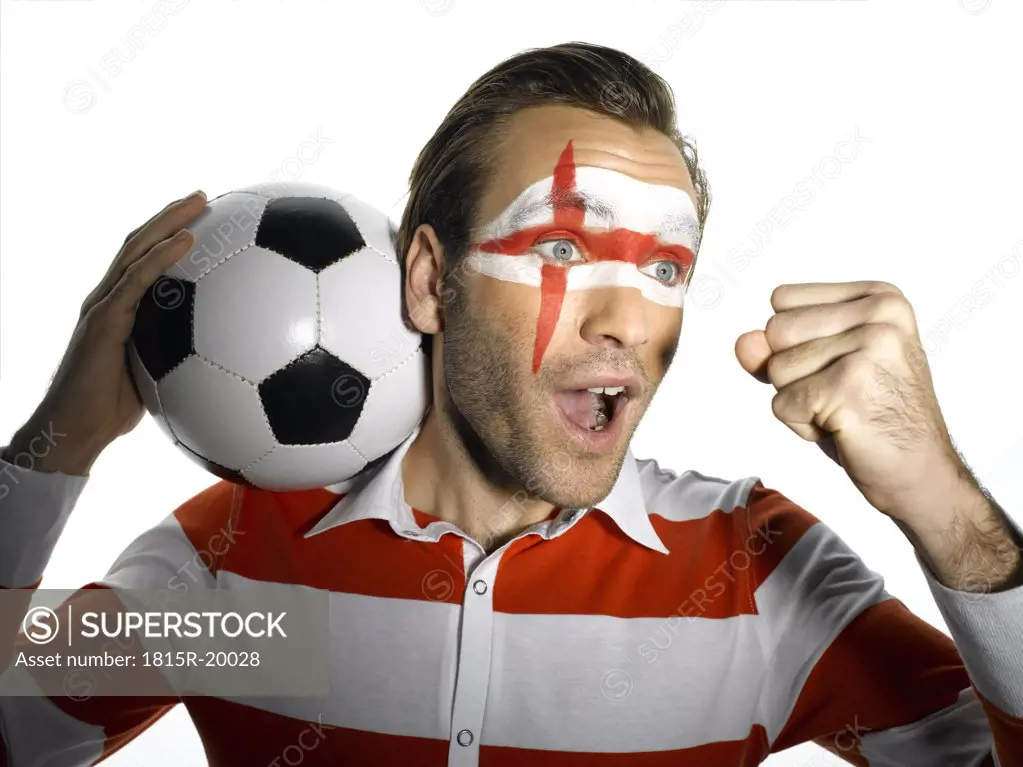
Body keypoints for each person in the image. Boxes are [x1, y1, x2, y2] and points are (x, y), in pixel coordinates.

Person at [1, 41, 1021, 767]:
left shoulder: (757, 578)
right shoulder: (246, 575)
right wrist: (60, 442)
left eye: (666, 264)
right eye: (562, 248)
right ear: (429, 280)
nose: (626, 316)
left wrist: (947, 511)